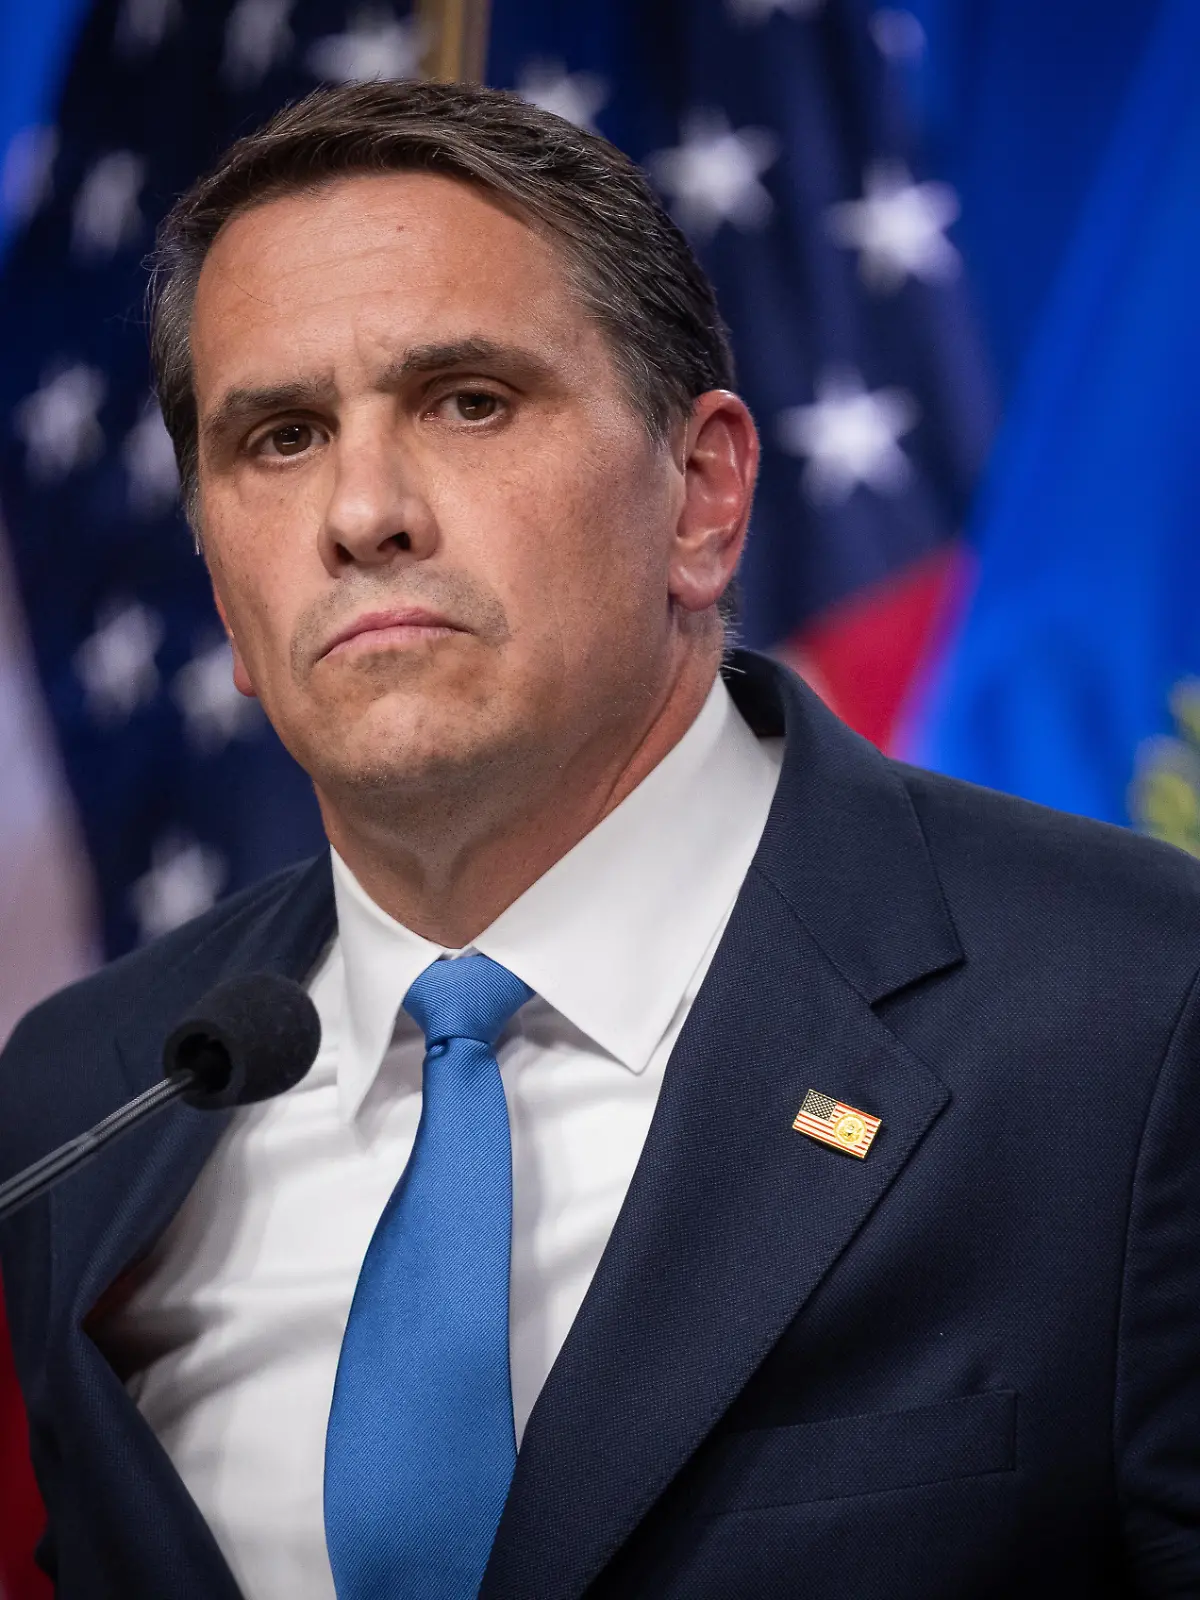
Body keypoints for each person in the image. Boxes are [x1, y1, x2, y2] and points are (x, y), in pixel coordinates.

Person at [1, 79, 1199, 1600]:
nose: (362, 511)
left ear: (701, 495)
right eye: (281, 438)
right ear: (225, 600)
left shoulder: (1134, 1014)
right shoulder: (87, 1100)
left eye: (468, 401)